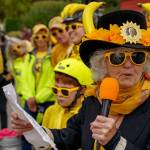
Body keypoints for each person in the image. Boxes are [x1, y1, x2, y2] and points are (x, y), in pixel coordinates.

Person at [11, 10, 150, 150]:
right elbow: (69, 136)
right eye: (118, 57)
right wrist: (35, 130)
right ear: (102, 64)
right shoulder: (93, 99)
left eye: (138, 57)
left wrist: (115, 142)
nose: (128, 65)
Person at [42, 58, 93, 129]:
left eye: (65, 91)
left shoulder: (87, 116)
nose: (59, 95)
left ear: (82, 89)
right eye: (55, 90)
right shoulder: (50, 111)